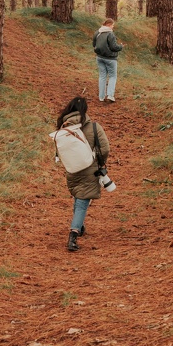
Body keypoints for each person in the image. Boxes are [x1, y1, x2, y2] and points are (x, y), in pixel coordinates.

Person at [56, 96, 110, 252]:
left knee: (79, 196)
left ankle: (80, 225)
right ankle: (73, 233)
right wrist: (98, 161)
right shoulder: (93, 127)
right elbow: (105, 148)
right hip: (89, 169)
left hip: (72, 169)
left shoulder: (63, 128)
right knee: (82, 202)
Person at [93, 18, 124, 103]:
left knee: (102, 76)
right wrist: (121, 46)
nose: (113, 27)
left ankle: (101, 97)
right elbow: (114, 47)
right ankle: (110, 95)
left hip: (99, 57)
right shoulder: (110, 34)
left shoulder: (97, 32)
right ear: (109, 25)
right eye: (113, 25)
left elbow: (94, 44)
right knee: (112, 76)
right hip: (110, 59)